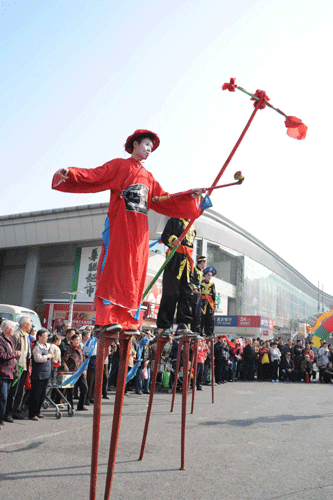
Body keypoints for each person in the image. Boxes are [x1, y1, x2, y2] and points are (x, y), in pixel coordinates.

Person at [52, 130, 202, 333]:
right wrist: (71, 173)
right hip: (120, 227)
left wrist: (190, 196)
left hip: (139, 233)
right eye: (147, 145)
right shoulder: (119, 166)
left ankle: (129, 320)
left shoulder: (149, 178)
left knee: (135, 275)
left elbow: (164, 199)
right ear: (135, 144)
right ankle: (107, 318)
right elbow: (95, 175)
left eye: (151, 147)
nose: (149, 150)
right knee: (114, 272)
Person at [156, 217, 197, 334]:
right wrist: (173, 240)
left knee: (187, 294)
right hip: (175, 259)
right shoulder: (174, 220)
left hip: (187, 262)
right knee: (171, 293)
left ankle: (183, 324)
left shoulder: (193, 226)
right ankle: (165, 325)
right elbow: (165, 236)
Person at [5, 315, 32, 421]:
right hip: (17, 367)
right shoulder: (16, 335)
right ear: (24, 324)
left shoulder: (26, 335)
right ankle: (9, 412)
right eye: (29, 323)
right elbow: (12, 351)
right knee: (14, 391)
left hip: (24, 366)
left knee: (20, 390)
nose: (30, 326)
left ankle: (16, 410)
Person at [0, 320, 21, 429]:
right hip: (2, 373)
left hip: (10, 373)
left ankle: (2, 418)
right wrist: (14, 354)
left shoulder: (10, 340)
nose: (14, 330)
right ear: (6, 329)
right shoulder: (1, 340)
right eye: (12, 328)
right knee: (2, 398)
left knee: (6, 397)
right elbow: (2, 355)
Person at [29, 329, 53, 421]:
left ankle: (38, 411)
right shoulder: (37, 347)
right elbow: (37, 359)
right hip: (38, 374)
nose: (47, 338)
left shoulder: (45, 346)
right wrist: (47, 356)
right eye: (45, 336)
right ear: (39, 337)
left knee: (42, 395)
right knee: (36, 394)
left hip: (46, 374)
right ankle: (32, 413)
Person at [61, 333, 88, 411]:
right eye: (76, 340)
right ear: (72, 340)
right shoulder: (69, 350)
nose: (77, 341)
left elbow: (83, 360)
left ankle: (80, 406)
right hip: (72, 373)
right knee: (70, 391)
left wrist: (85, 369)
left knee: (84, 388)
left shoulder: (80, 349)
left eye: (79, 340)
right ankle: (70, 407)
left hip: (80, 372)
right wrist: (65, 367)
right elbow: (63, 361)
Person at [200, 267, 217, 339]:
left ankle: (209, 333)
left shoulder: (212, 284)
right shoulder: (201, 283)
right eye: (208, 275)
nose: (210, 277)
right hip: (202, 302)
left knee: (210, 318)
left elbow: (214, 294)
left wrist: (215, 303)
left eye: (211, 275)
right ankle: (199, 332)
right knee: (200, 318)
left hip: (210, 303)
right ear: (205, 275)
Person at [191, 255, 207, 332]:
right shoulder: (194, 270)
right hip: (193, 294)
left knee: (198, 314)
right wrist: (194, 288)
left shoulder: (201, 272)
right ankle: (192, 330)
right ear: (202, 262)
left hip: (199, 295)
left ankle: (196, 331)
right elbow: (191, 281)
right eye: (205, 263)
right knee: (193, 312)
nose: (206, 265)